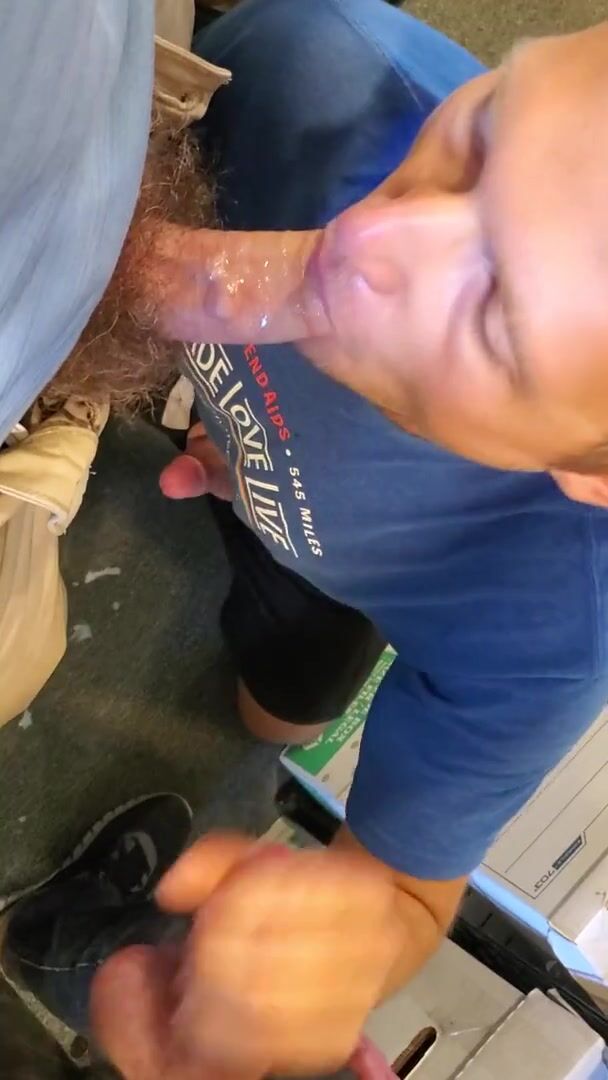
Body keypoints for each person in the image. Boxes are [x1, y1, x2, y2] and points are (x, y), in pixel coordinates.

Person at [5, 1, 608, 1077]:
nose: (370, 235)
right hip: (246, 455)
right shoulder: (313, 71)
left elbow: (407, 888)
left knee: (273, 715)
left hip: (345, 572)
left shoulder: (551, 628)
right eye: (484, 138)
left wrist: (334, 954)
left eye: (497, 319)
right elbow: (96, 209)